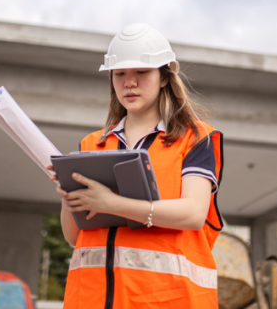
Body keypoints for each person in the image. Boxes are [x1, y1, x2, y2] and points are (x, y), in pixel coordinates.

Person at [46, 23, 224, 309]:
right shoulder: (92, 144)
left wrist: (112, 203)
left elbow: (193, 213)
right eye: (120, 74)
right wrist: (68, 195)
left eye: (142, 72)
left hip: (168, 301)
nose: (129, 82)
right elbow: (73, 236)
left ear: (165, 77)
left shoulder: (195, 138)